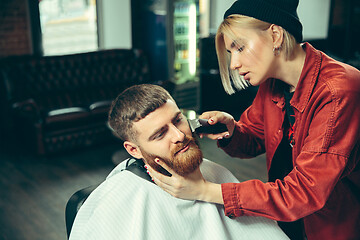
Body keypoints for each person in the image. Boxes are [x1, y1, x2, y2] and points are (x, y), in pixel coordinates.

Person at [146, 1, 360, 240]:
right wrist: (232, 130)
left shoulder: (338, 91)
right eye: (231, 53)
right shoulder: (272, 83)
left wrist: (206, 191)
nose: (234, 64)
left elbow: (305, 192)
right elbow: (254, 138)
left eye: (240, 48)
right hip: (287, 221)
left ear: (275, 35)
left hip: (330, 227)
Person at [69, 84, 289, 240]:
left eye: (178, 120)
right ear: (133, 150)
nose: (179, 135)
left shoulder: (214, 172)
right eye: (159, 134)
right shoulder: (118, 203)